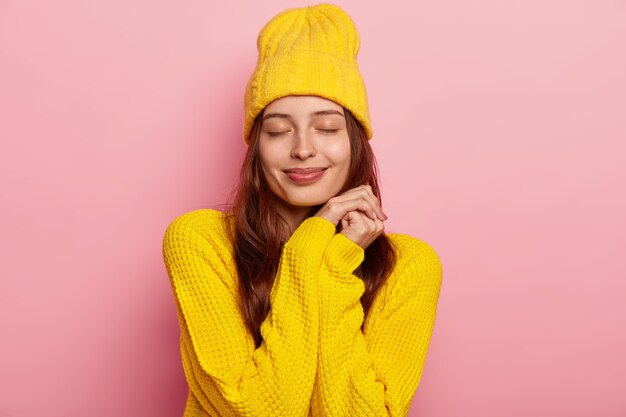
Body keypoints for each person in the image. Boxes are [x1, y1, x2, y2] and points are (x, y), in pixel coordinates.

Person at [162, 3, 443, 417]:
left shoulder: (410, 266)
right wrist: (312, 245)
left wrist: (334, 266)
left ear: (355, 143)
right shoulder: (200, 240)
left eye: (327, 128)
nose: (303, 148)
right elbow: (258, 409)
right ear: (256, 147)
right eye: (277, 130)